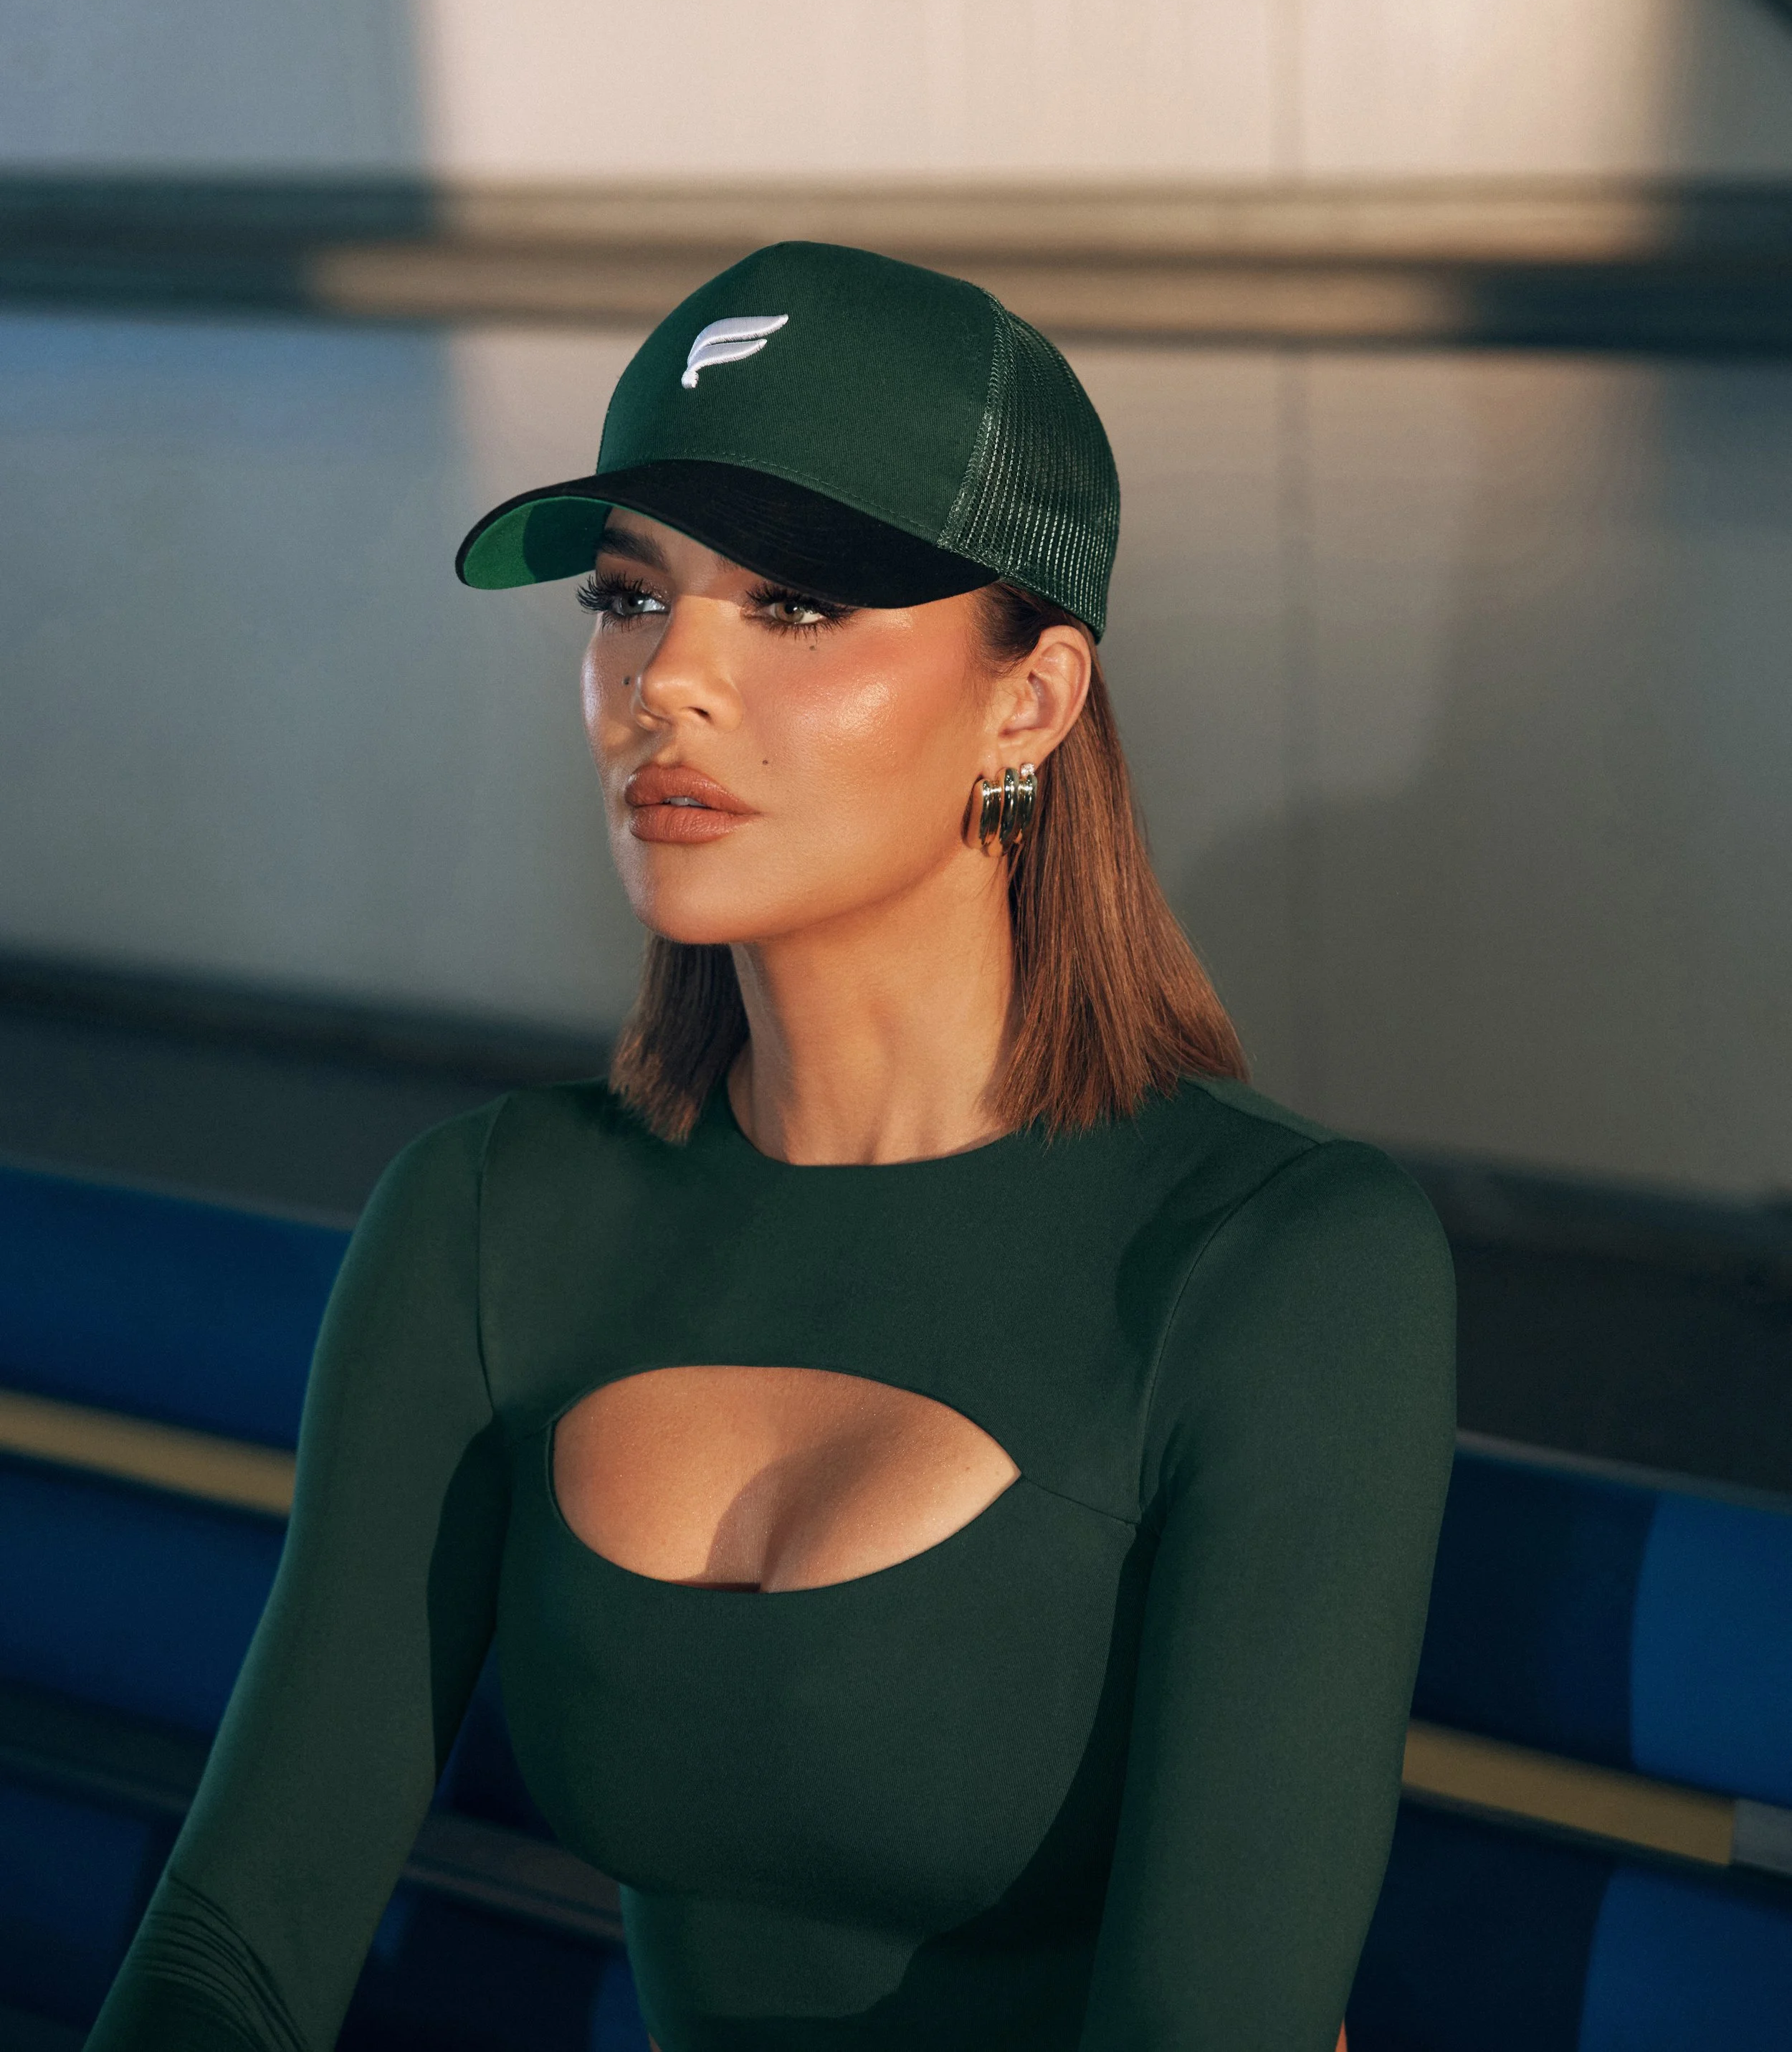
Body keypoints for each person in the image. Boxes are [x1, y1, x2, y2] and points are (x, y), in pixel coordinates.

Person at [90, 242, 1455, 2051]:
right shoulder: (493, 1216)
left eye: (793, 607)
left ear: (1027, 701)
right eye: (625, 593)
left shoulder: (1280, 1265)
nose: (668, 683)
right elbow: (235, 1943)